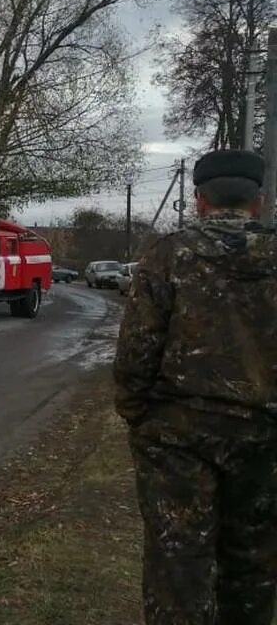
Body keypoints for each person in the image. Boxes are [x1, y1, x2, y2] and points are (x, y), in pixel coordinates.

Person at [115, 148, 277, 625]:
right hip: (266, 438)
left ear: (200, 200)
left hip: (176, 436)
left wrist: (136, 413)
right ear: (259, 201)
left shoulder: (168, 254)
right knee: (254, 565)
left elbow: (137, 349)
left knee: (177, 567)